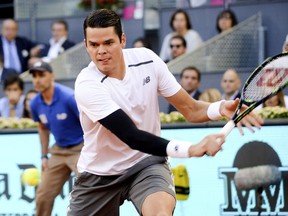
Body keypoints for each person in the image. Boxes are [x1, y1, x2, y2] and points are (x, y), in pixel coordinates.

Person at [67, 9, 263, 215]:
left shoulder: (147, 60)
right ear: (86, 45)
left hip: (145, 164)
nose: (101, 51)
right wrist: (191, 149)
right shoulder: (87, 84)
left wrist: (221, 108)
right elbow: (131, 136)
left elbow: (191, 109)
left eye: (108, 43)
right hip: (99, 176)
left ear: (122, 40)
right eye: (94, 45)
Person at [28, 61, 83, 216]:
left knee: (90, 191)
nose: (37, 80)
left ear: (52, 76)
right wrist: (44, 156)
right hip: (58, 151)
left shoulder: (68, 98)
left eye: (41, 75)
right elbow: (43, 129)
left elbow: (89, 125)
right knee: (42, 196)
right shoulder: (35, 104)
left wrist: (92, 152)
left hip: (81, 149)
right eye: (34, 76)